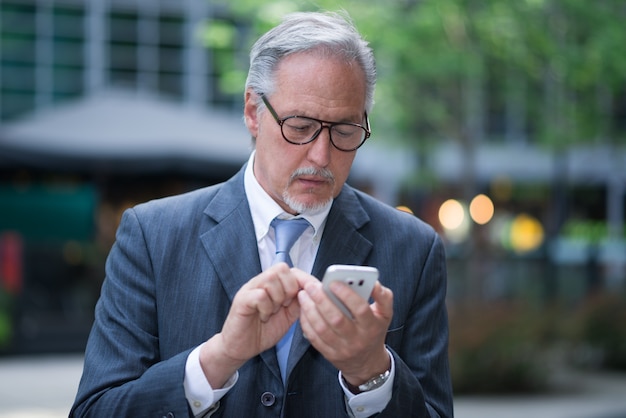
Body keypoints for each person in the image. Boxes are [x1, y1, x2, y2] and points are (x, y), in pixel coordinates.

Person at [70, 11, 453, 418]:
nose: (321, 155)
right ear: (253, 111)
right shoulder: (153, 235)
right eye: (300, 126)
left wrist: (372, 374)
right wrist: (218, 359)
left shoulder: (415, 248)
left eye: (344, 131)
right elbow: (96, 410)